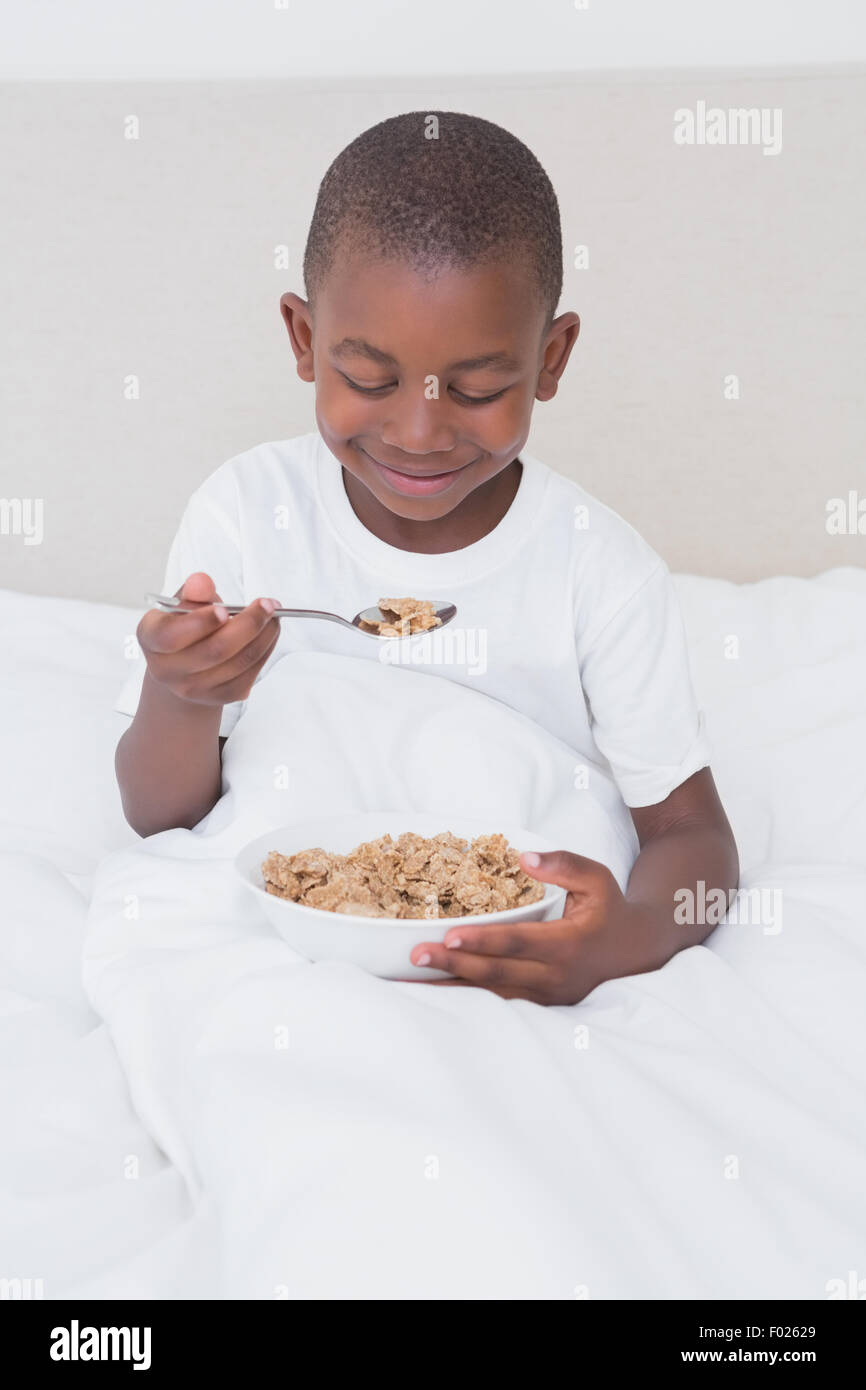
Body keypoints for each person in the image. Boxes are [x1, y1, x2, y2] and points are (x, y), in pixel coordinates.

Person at [115, 111, 738, 1004]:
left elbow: (694, 840)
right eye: (369, 380)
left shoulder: (598, 570)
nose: (418, 433)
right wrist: (180, 690)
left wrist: (625, 940)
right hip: (287, 947)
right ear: (303, 341)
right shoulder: (250, 511)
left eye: (480, 390)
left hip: (503, 955)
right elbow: (160, 816)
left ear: (551, 359)